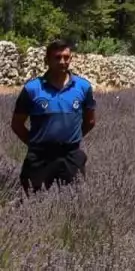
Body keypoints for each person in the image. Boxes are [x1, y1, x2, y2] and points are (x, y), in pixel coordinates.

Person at [10, 39, 96, 193]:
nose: (62, 62)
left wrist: (71, 139)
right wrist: (35, 144)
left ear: (71, 59)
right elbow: (17, 124)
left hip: (70, 157)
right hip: (40, 158)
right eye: (57, 57)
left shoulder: (83, 87)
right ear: (47, 60)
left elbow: (90, 121)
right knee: (33, 200)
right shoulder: (32, 89)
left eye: (66, 57)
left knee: (74, 201)